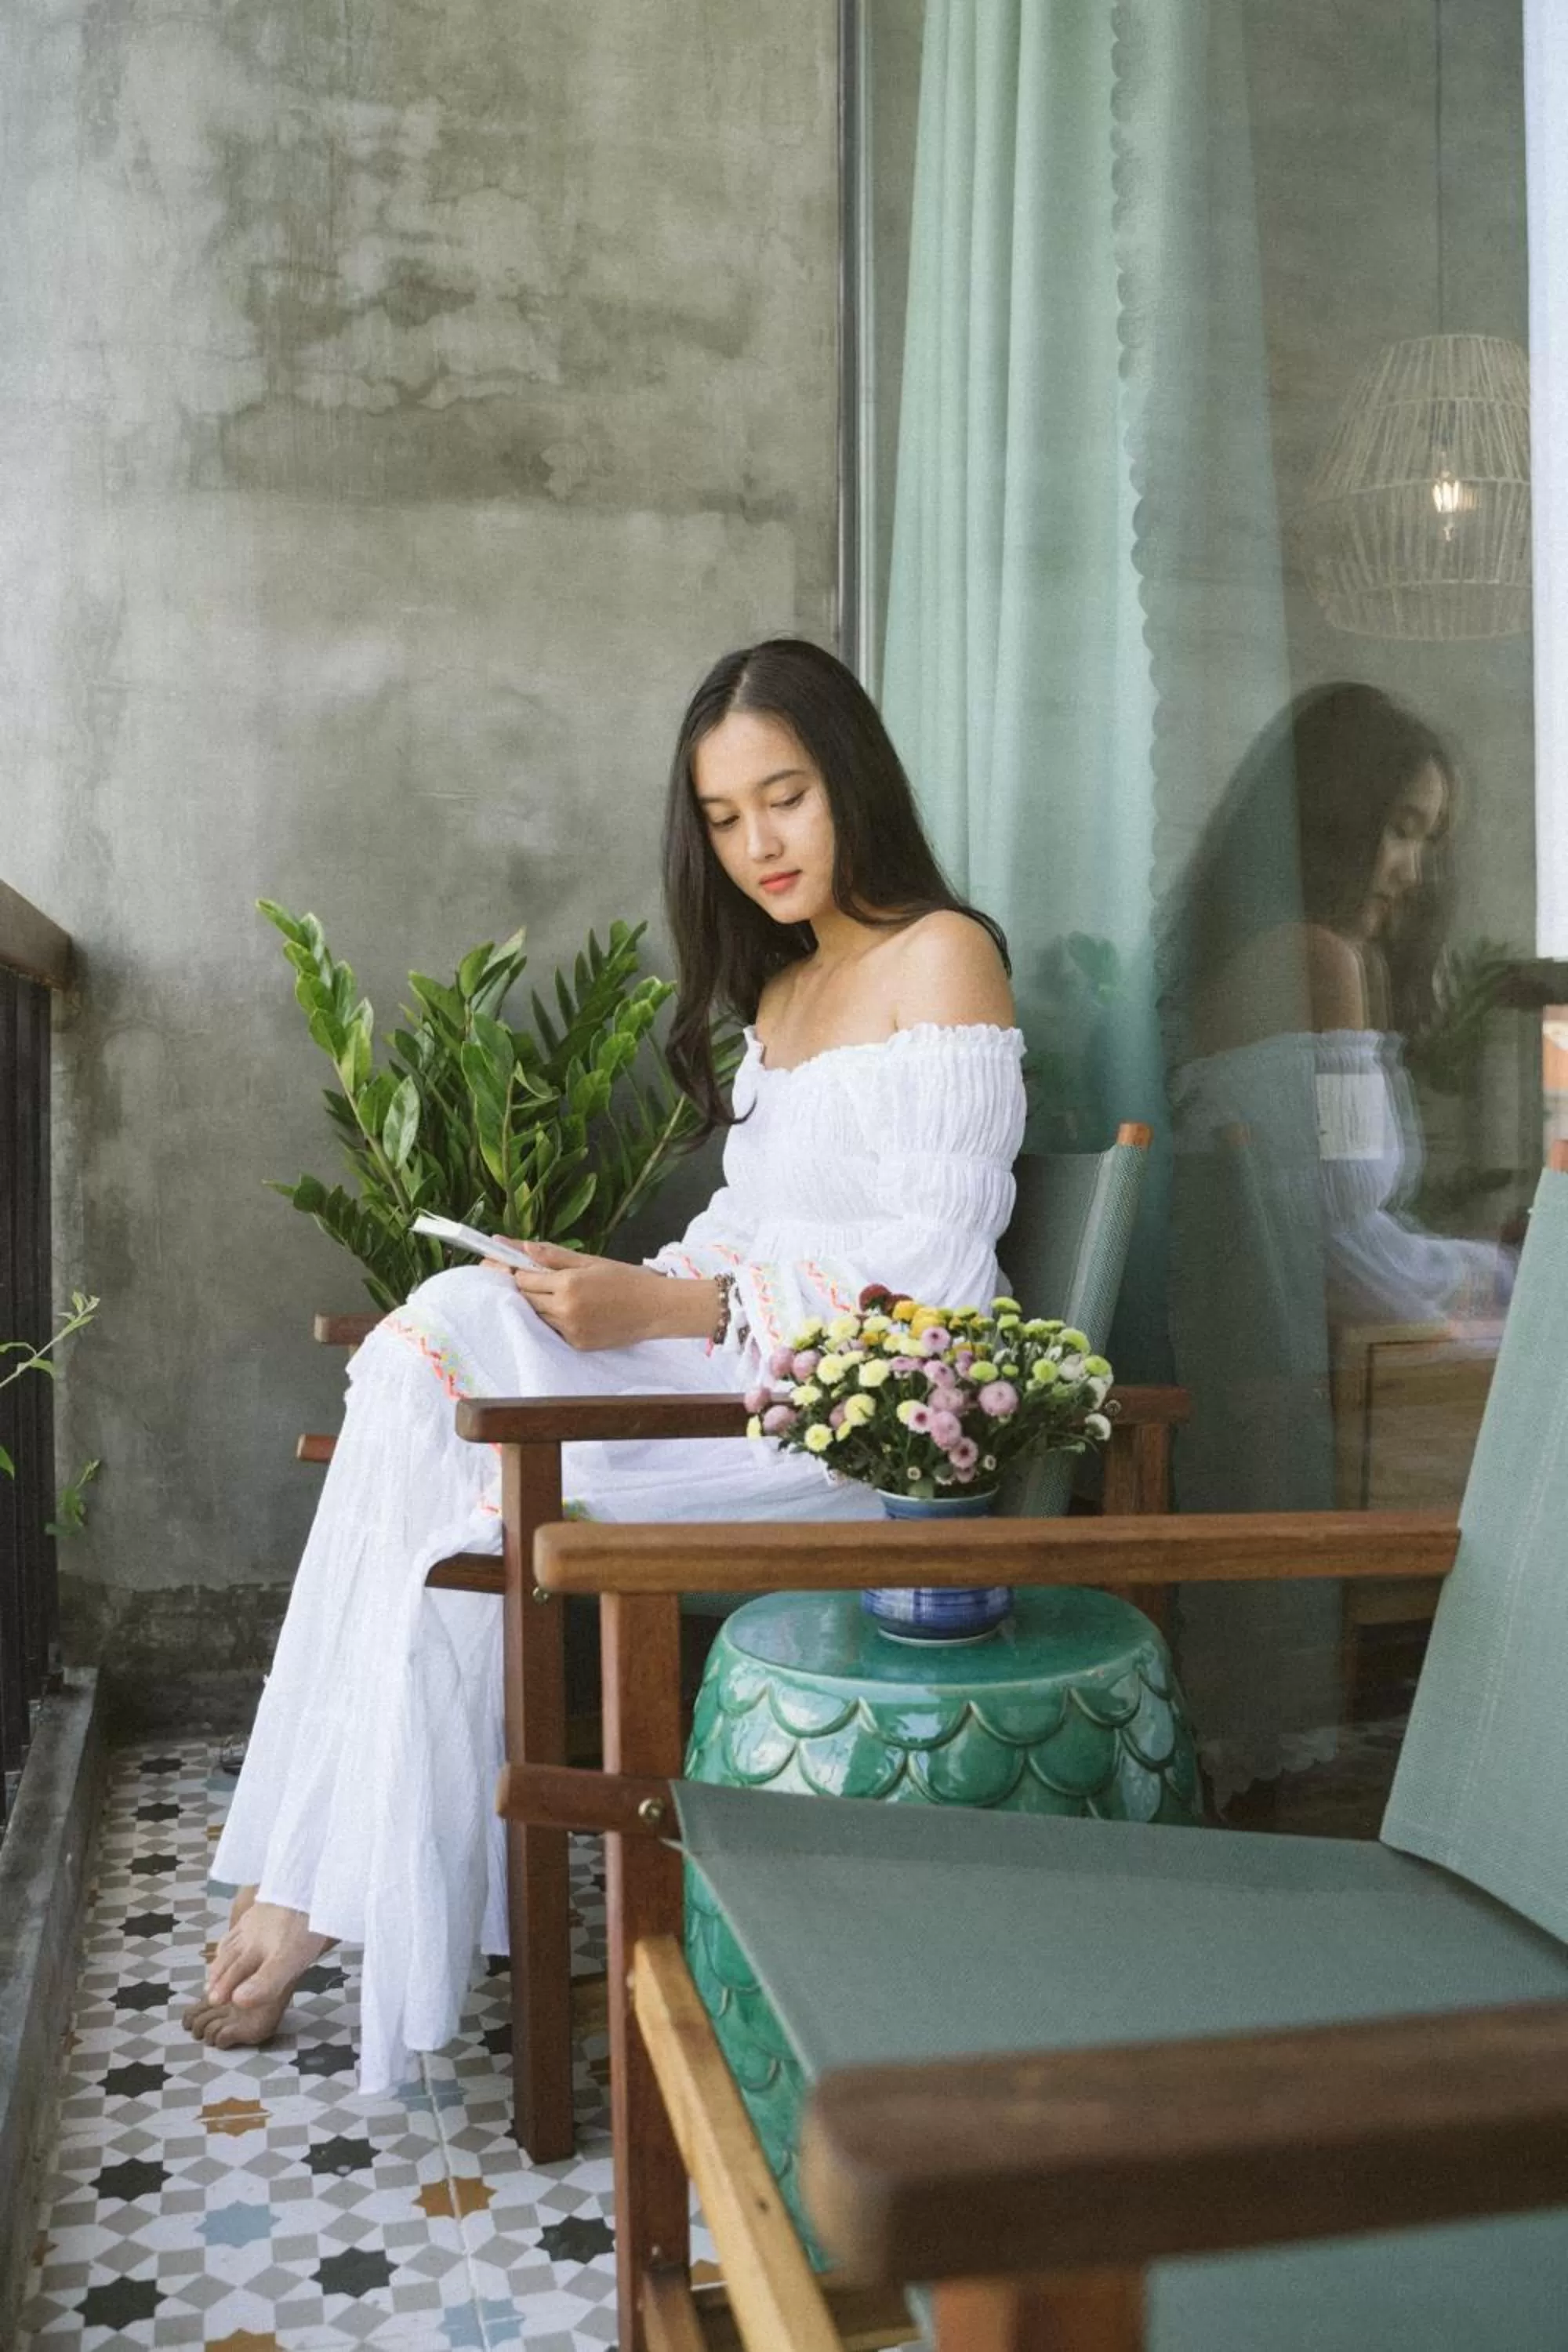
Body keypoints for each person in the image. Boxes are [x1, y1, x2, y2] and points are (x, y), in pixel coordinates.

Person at [185, 638, 1023, 2092]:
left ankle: (315, 1894)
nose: (757, 844)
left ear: (855, 787)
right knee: (436, 1337)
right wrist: (603, 1288)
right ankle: (328, 1880)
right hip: (750, 1383)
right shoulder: (789, 987)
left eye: (787, 798)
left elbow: (933, 1291)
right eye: (722, 817)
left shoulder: (940, 955)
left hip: (856, 1440)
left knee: (460, 1480)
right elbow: (743, 1234)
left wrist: (668, 1315)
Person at [1163, 682, 1515, 1800]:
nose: (1411, 868)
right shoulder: (1316, 957)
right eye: (1401, 828)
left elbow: (1328, 1229)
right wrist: (1500, 1287)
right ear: (1336, 820)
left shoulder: (1236, 960)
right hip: (1327, 1374)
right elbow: (1344, 1248)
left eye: (1428, 837)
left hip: (1313, 1351)